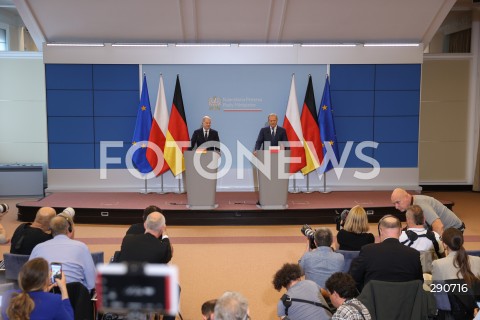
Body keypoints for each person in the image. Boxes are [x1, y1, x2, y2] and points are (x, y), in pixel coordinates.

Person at [349, 215, 423, 291]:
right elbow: (419, 283)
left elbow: (353, 279)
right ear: (400, 231)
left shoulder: (367, 251)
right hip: (406, 301)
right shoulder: (414, 254)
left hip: (373, 301)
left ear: (380, 230)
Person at [29, 215, 96, 291]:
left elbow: (30, 279)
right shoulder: (82, 247)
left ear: (51, 230)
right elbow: (92, 283)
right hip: (75, 299)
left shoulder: (38, 248)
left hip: (46, 297)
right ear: (69, 229)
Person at [1, 257, 73, 320]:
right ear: (45, 280)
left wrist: (44, 292)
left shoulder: (8, 296)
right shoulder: (54, 301)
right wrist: (63, 288)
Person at [391, 188, 464, 235]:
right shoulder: (412, 203)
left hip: (454, 230)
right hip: (437, 228)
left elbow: (439, 226)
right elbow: (414, 225)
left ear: (406, 197)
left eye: (398, 202)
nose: (396, 207)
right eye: (394, 204)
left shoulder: (421, 205)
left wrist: (438, 249)